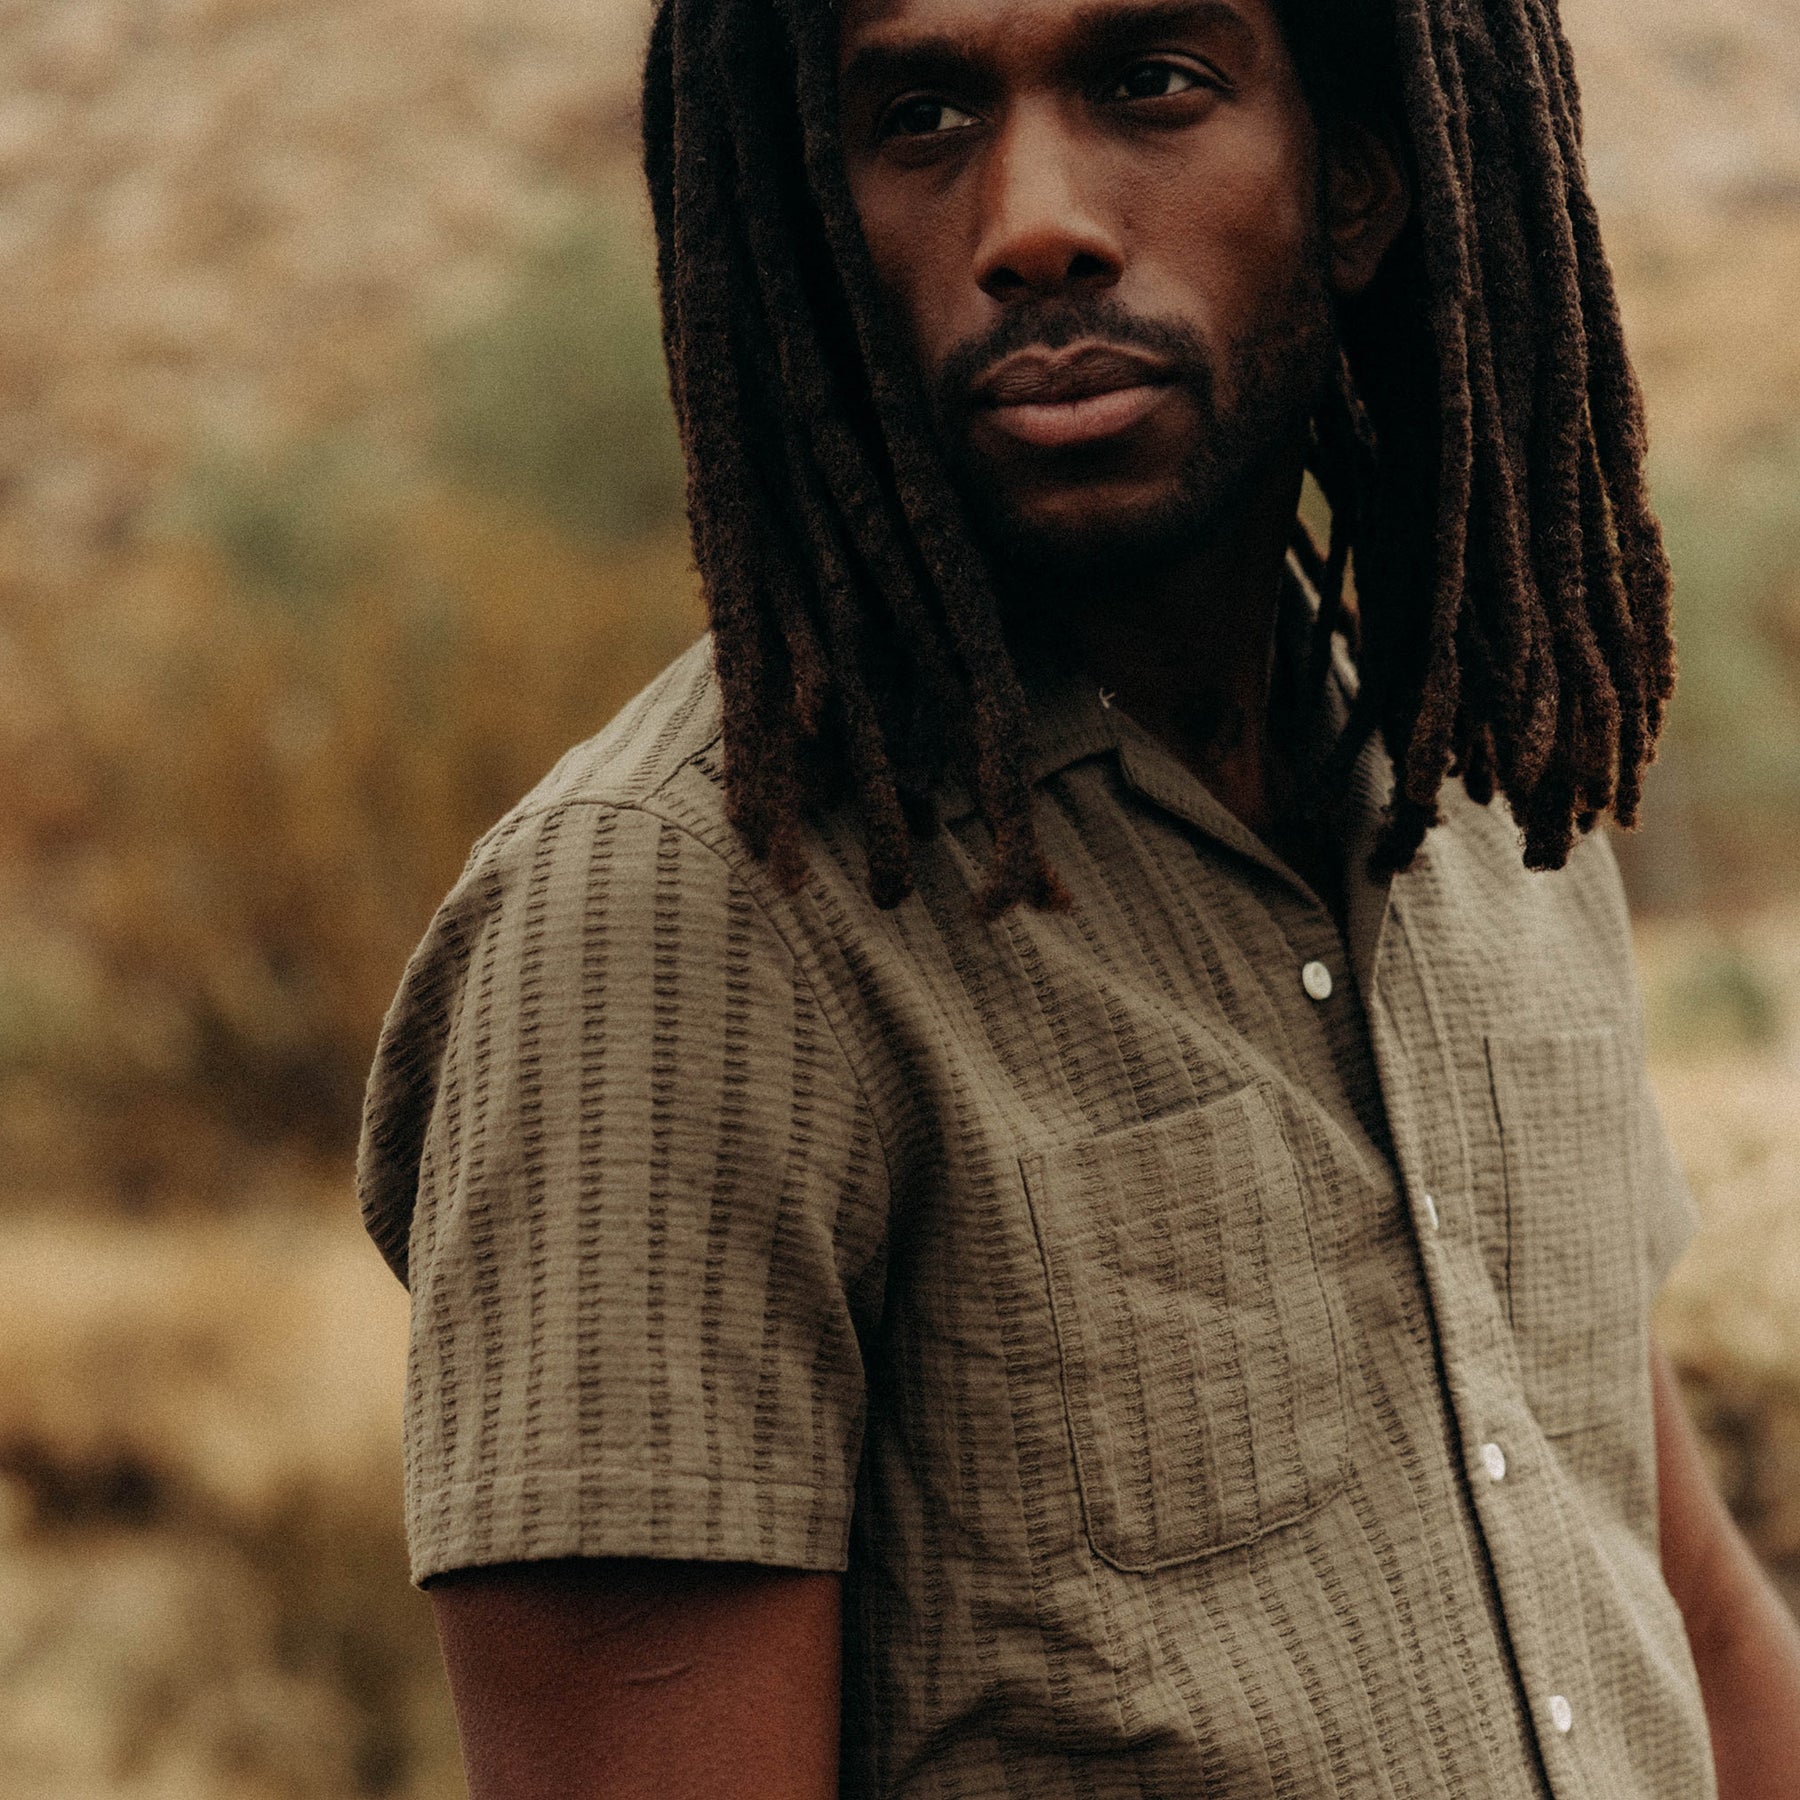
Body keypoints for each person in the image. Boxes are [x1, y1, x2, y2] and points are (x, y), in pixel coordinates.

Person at [358, 0, 1800, 1792]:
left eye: (1150, 84)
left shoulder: (1480, 802)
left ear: (1357, 186)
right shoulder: (672, 923)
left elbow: (1683, 1612)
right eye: (920, 115)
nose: (1033, 222)